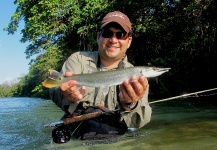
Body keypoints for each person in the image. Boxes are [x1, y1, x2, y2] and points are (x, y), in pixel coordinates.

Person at [49, 11, 152, 142]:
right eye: (107, 33)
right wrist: (66, 94)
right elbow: (54, 91)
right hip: (77, 127)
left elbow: (138, 123)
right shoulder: (78, 59)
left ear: (129, 41)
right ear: (98, 36)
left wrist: (130, 104)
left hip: (115, 131)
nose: (113, 40)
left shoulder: (137, 77)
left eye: (120, 35)